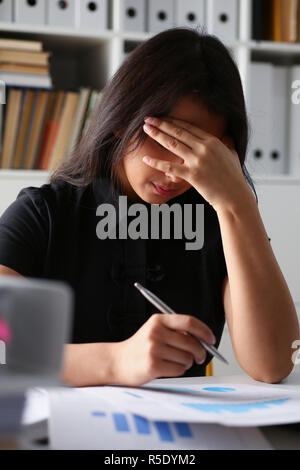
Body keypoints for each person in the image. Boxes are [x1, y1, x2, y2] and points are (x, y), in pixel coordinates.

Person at [0, 28, 298, 387]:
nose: (176, 170)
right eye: (167, 141)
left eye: (198, 151)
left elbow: (273, 363)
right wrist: (114, 361)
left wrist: (238, 204)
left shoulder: (220, 222)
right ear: (120, 122)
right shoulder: (46, 212)